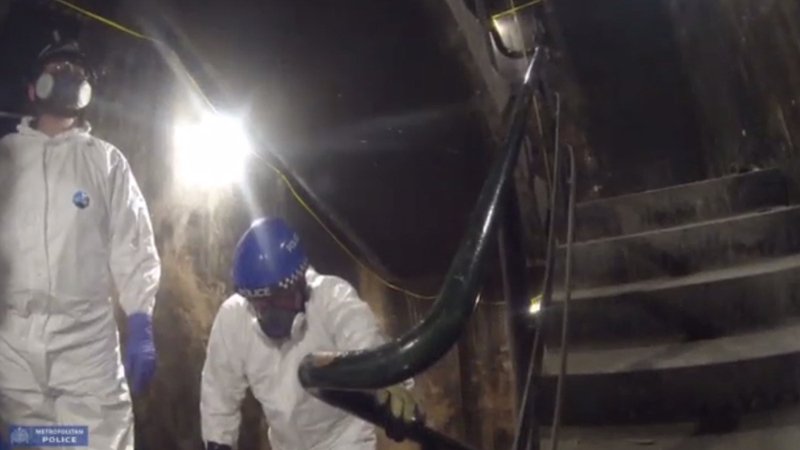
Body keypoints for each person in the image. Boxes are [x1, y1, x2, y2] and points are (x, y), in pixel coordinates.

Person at [0, 37, 161, 450]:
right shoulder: (6, 158)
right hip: (14, 348)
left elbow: (133, 244)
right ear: (33, 88)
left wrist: (140, 320)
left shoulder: (105, 161)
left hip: (86, 349)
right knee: (31, 443)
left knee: (95, 443)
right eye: (57, 69)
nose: (70, 77)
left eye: (79, 72)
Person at [201, 217, 422, 450]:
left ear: (299, 282)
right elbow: (219, 391)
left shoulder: (332, 299)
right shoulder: (234, 319)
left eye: (278, 299)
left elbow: (367, 343)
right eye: (260, 303)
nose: (269, 313)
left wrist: (390, 384)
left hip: (345, 442)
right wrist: (219, 443)